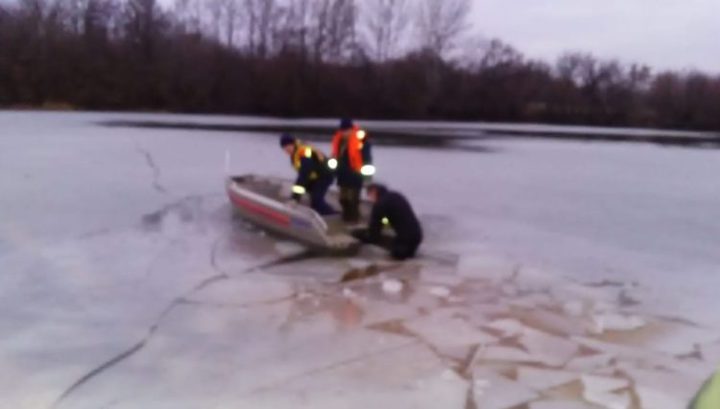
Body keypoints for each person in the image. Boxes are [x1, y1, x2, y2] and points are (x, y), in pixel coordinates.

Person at [354, 183, 423, 260]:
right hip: (417, 234)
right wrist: (385, 223)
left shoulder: (380, 204)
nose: (370, 199)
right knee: (409, 255)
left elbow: (374, 233)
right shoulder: (396, 195)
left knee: (396, 255)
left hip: (405, 239)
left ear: (374, 192)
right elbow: (391, 217)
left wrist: (361, 237)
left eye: (369, 195)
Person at [329, 118, 374, 223]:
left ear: (351, 129)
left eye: (346, 130)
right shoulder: (339, 140)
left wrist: (367, 178)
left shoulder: (361, 141)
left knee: (353, 200)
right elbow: (335, 157)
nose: (344, 133)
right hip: (342, 175)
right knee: (342, 199)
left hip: (355, 175)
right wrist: (333, 172)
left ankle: (354, 221)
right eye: (342, 131)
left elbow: (367, 160)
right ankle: (346, 218)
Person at [279, 134, 336, 216]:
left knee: (317, 199)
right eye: (284, 148)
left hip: (325, 176)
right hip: (315, 177)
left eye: (288, 146)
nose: (286, 149)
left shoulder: (303, 152)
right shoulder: (295, 153)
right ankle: (320, 213)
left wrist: (295, 198)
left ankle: (332, 216)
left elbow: (304, 174)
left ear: (293, 144)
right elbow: (304, 176)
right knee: (314, 200)